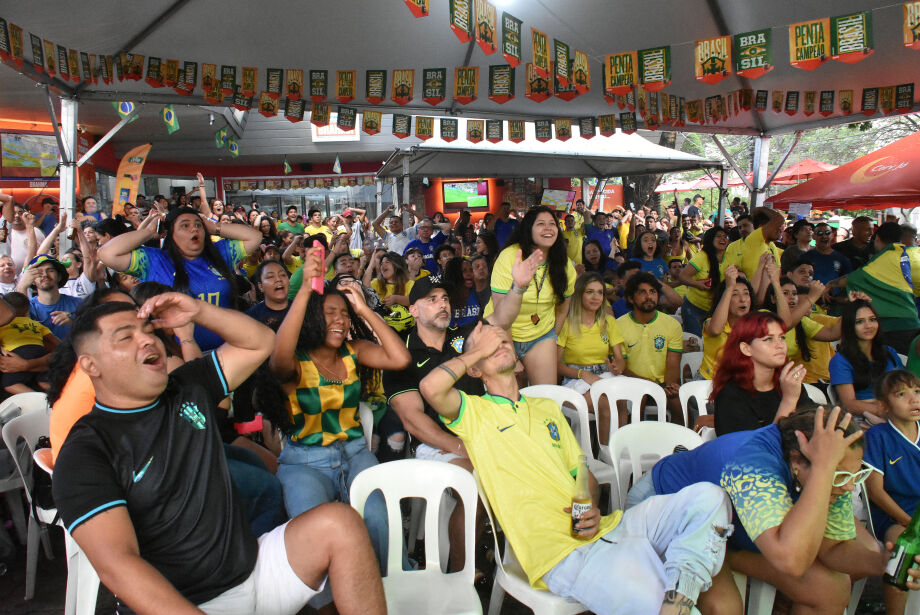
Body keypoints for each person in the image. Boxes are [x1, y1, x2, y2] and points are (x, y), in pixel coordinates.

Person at [50, 294, 386, 615]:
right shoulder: (85, 453)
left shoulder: (186, 388)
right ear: (90, 365)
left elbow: (260, 342)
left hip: (252, 569)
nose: (147, 340)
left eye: (149, 331)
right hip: (186, 602)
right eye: (125, 338)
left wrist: (198, 310)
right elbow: (118, 566)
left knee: (341, 524)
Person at [419, 322, 733, 615]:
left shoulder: (546, 408)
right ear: (474, 369)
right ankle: (676, 597)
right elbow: (431, 388)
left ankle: (680, 589)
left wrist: (590, 505)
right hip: (563, 556)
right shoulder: (474, 413)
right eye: (486, 344)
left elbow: (583, 473)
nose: (497, 342)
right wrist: (477, 348)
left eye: (502, 339)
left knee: (710, 498)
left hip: (611, 527)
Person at [627, 407, 888, 615]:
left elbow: (834, 548)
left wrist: (884, 562)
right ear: (798, 461)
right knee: (724, 608)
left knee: (830, 590)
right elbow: (791, 561)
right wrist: (823, 471)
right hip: (671, 513)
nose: (850, 486)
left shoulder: (833, 471)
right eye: (840, 475)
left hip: (730, 525)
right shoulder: (754, 463)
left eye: (854, 475)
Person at [268, 253, 410, 571]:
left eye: (344, 314)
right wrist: (304, 291)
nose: (340, 320)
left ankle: (390, 586)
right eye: (330, 313)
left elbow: (400, 358)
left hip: (355, 453)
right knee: (314, 534)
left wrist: (363, 310)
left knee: (378, 516)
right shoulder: (295, 361)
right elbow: (277, 358)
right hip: (306, 462)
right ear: (311, 318)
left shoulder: (353, 351)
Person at [383, 277, 484, 571]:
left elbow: (500, 320)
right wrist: (460, 446)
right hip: (435, 444)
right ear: (413, 310)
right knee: (476, 484)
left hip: (481, 431)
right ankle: (460, 575)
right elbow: (413, 421)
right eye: (432, 299)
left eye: (445, 298)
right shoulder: (402, 355)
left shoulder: (465, 336)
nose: (442, 304)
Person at [98, 206, 262, 350]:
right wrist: (147, 233)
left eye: (199, 225)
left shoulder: (220, 254)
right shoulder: (153, 260)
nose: (194, 229)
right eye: (185, 225)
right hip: (179, 356)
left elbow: (255, 237)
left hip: (228, 352)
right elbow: (107, 253)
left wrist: (215, 227)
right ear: (171, 234)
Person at [485, 206, 576, 386]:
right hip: (501, 332)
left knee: (545, 396)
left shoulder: (563, 263)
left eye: (552, 224)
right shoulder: (510, 257)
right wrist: (510, 350)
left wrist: (551, 335)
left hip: (540, 335)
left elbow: (564, 306)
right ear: (528, 229)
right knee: (510, 400)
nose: (548, 228)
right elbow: (501, 312)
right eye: (541, 224)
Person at [863, 370, 920, 615]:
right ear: (884, 406)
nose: (914, 399)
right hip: (894, 515)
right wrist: (910, 523)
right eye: (901, 394)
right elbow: (876, 492)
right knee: (901, 549)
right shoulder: (878, 436)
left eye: (917, 392)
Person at [710, 311, 809, 435]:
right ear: (746, 349)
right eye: (768, 339)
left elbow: (813, 422)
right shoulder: (730, 394)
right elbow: (755, 449)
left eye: (782, 337)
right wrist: (789, 400)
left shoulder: (786, 381)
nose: (780, 345)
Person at [556, 272, 625, 443]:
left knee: (622, 399)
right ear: (579, 294)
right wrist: (583, 374)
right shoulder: (567, 322)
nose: (596, 297)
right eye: (590, 292)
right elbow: (556, 365)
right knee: (603, 400)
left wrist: (618, 366)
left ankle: (622, 448)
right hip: (575, 379)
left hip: (604, 374)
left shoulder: (608, 321)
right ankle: (606, 452)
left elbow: (620, 359)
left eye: (600, 292)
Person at [616, 272, 684, 425]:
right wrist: (643, 382)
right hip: (630, 382)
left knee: (679, 406)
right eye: (642, 292)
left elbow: (673, 364)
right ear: (630, 298)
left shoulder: (671, 325)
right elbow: (622, 366)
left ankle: (678, 446)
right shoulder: (618, 325)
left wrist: (669, 386)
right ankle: (634, 445)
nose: (649, 296)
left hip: (662, 383)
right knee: (639, 400)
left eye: (653, 292)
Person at [846, 222, 920, 355]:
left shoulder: (884, 259)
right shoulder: (904, 254)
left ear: (878, 238)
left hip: (891, 328)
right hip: (912, 322)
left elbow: (854, 279)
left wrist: (830, 285)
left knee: (891, 370)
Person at [829, 299, 904, 426]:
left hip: (898, 411)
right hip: (863, 419)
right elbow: (849, 404)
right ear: (849, 326)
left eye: (872, 319)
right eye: (859, 322)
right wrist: (890, 411)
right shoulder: (840, 361)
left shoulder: (889, 352)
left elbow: (905, 386)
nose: (868, 326)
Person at [699, 266, 752, 380]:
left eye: (746, 293)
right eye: (735, 294)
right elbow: (716, 329)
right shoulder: (710, 323)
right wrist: (729, 287)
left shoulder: (754, 325)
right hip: (709, 383)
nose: (742, 299)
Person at [678, 226, 730, 337]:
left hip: (715, 310)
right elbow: (682, 277)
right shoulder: (702, 257)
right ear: (710, 239)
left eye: (725, 236)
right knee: (695, 343)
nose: (723, 239)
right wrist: (697, 284)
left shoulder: (731, 257)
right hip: (694, 309)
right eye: (718, 236)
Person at [17, 254, 82, 340]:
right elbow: (21, 329)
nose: (44, 275)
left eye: (50, 270)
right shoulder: (29, 306)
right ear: (32, 280)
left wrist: (73, 322)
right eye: (38, 272)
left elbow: (93, 334)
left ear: (59, 276)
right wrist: (22, 287)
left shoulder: (79, 303)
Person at [0, 292, 53, 394]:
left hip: (22, 358)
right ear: (26, 312)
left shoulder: (5, 324)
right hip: (39, 352)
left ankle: (39, 400)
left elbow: (62, 351)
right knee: (44, 381)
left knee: (9, 383)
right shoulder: (35, 324)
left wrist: (28, 365)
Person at [724, 206, 784, 280]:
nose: (780, 231)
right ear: (762, 227)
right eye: (776, 228)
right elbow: (779, 219)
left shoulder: (771, 245)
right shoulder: (754, 239)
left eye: (745, 225)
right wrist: (760, 209)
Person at [0, 195, 45, 274]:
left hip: (17, 277)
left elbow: (8, 199)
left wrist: (29, 226)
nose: (16, 215)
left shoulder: (2, 228)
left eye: (19, 213)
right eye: (14, 213)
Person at [246, 259, 291, 331]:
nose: (278, 279)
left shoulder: (302, 309)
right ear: (261, 286)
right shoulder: (251, 318)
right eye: (270, 276)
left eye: (282, 275)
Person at [802, 222, 852, 287]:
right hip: (812, 295)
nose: (824, 236)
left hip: (834, 296)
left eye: (827, 233)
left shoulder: (841, 258)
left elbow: (848, 280)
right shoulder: (805, 257)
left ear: (832, 235)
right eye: (820, 233)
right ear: (813, 236)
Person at [442, 257, 481, 327]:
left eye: (471, 270)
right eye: (464, 271)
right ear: (454, 274)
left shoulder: (477, 294)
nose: (469, 274)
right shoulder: (446, 298)